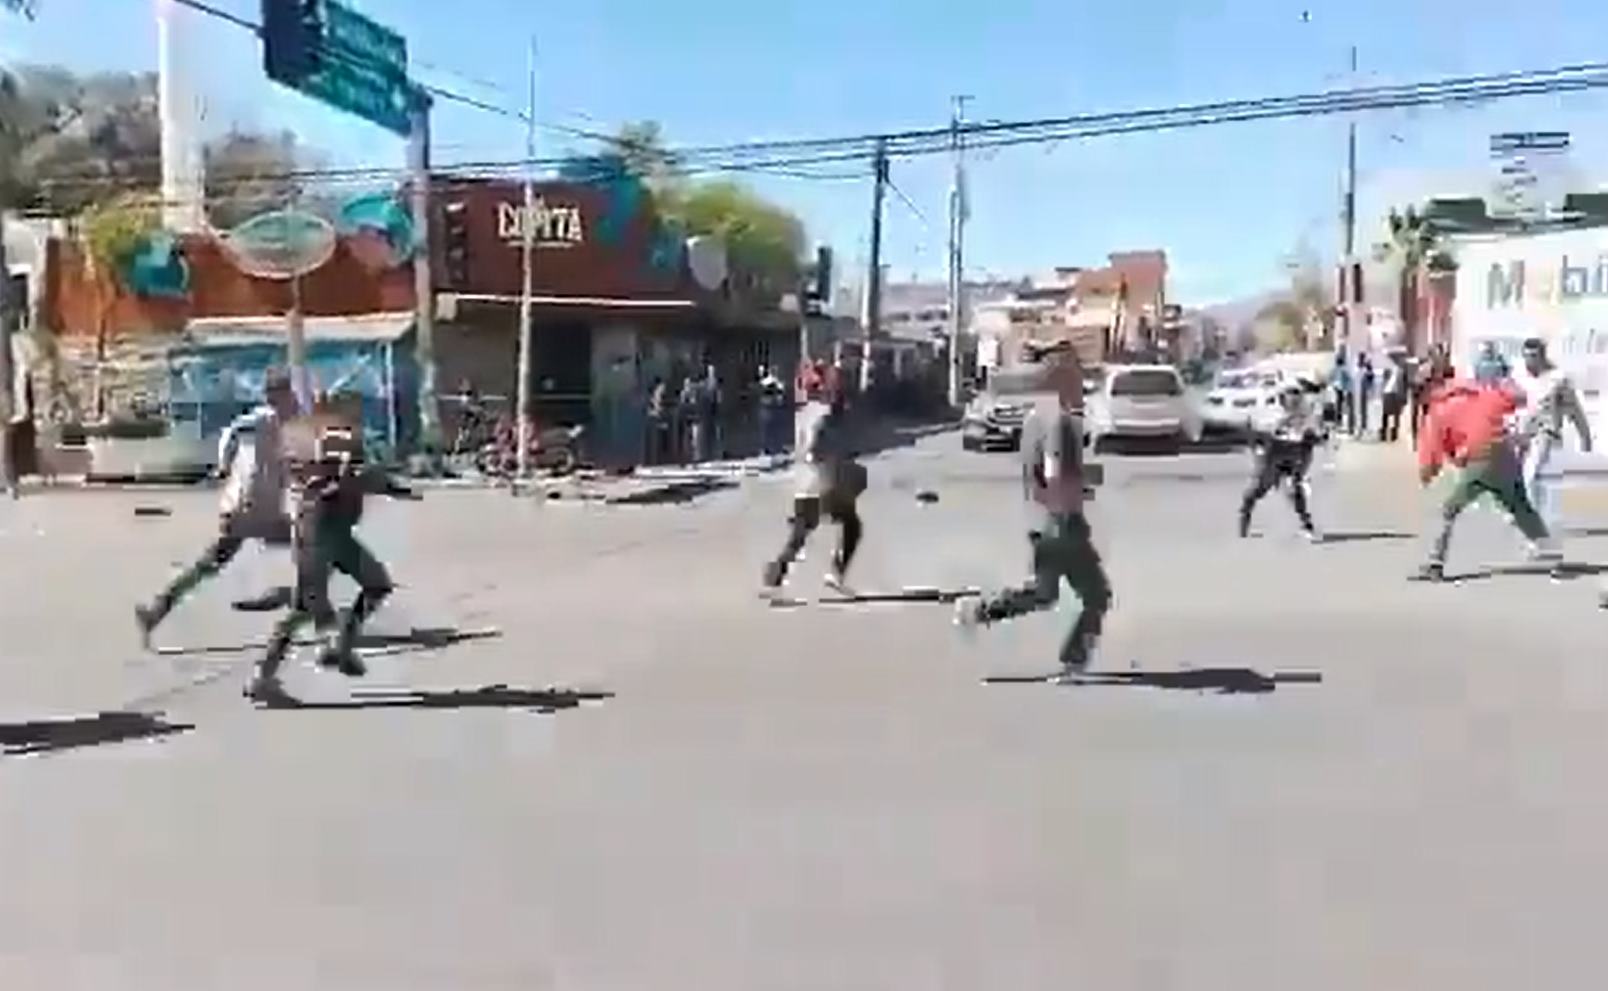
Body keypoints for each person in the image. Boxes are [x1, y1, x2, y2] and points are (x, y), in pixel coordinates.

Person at [248, 403, 421, 703]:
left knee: (372, 586)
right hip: (321, 533)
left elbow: (341, 477)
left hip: (321, 532)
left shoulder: (309, 445)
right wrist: (391, 487)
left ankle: (338, 646)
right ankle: (264, 675)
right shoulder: (335, 446)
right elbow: (354, 476)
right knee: (312, 603)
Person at [955, 348, 1111, 677]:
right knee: (1097, 595)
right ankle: (1074, 660)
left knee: (1044, 593)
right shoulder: (1062, 423)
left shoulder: (1034, 419)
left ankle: (978, 610)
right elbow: (1056, 473)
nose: (1082, 386)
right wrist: (1082, 486)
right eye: (1077, 379)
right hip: (1062, 521)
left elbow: (1035, 469)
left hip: (1039, 521)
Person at [135, 368, 300, 649]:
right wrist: (223, 464)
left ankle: (157, 610)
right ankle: (305, 605)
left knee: (209, 565)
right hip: (248, 510)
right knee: (314, 545)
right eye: (288, 395)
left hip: (258, 512)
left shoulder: (284, 428)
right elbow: (232, 431)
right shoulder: (262, 419)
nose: (294, 401)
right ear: (277, 397)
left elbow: (284, 469)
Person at [1411, 375, 1560, 583]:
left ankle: (1434, 562)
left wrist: (1427, 473)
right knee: (1519, 506)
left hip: (1480, 458)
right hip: (1506, 454)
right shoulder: (1484, 392)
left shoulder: (1439, 410)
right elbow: (1516, 401)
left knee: (1448, 511)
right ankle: (1551, 554)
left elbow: (1431, 452)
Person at [761, 372, 865, 598]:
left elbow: (800, 446)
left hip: (803, 484)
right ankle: (835, 574)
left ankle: (774, 578)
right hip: (821, 485)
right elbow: (813, 449)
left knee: (800, 534)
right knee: (852, 526)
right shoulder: (824, 416)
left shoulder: (804, 413)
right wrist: (833, 457)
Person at [1513, 337, 1592, 545]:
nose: (1530, 361)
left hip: (1545, 433)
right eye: (1526, 356)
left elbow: (1574, 409)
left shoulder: (1558, 379)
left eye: (1534, 356)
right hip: (1519, 433)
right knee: (1516, 479)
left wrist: (1585, 435)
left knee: (1532, 476)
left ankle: (1536, 528)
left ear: (1542, 356)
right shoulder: (1518, 376)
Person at [1239, 381, 1325, 542]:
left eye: (1296, 394)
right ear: (1282, 397)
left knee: (1293, 488)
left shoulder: (1307, 413)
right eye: (1289, 394)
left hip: (1296, 453)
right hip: (1273, 453)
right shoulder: (1270, 411)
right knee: (1257, 489)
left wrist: (1315, 438)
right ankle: (1245, 517)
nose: (1293, 399)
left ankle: (1306, 524)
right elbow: (1256, 432)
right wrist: (1261, 441)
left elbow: (1316, 433)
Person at [1379, 350, 1409, 443]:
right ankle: (1384, 433)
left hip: (1396, 393)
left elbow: (1404, 384)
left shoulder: (1402, 371)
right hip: (1388, 392)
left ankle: (1393, 434)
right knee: (1385, 414)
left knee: (1396, 415)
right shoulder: (1388, 369)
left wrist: (1404, 397)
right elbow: (1383, 380)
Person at [1355, 352, 1376, 438]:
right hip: (1361, 392)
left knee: (1364, 411)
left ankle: (1363, 428)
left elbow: (1371, 379)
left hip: (1363, 392)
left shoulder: (1365, 369)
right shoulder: (1362, 369)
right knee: (1362, 411)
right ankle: (1362, 428)